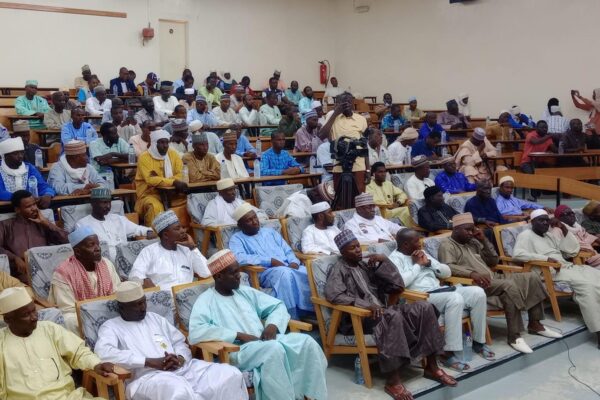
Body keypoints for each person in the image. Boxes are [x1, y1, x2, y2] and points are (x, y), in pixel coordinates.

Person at [326, 230, 455, 398]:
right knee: (392, 316)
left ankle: (432, 367)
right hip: (360, 317)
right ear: (342, 252)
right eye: (352, 248)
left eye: (358, 246)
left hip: (383, 311)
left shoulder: (365, 265)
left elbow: (397, 286)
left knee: (425, 307)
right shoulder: (339, 269)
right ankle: (393, 381)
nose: (358, 250)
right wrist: (367, 305)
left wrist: (385, 262)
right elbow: (335, 295)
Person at [189, 249, 327, 400]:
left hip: (263, 341)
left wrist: (272, 325)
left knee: (307, 342)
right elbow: (196, 331)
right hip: (237, 351)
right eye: (234, 273)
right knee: (273, 349)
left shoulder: (245, 292)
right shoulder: (206, 300)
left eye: (239, 271)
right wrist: (238, 335)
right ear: (219, 276)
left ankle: (310, 396)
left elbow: (277, 306)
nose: (239, 276)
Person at [95, 281, 247, 400]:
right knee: (178, 391)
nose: (143, 308)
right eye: (136, 305)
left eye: (143, 302)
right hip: (147, 379)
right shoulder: (111, 327)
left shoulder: (155, 318)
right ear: (121, 308)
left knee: (230, 374)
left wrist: (180, 358)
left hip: (182, 369)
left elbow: (179, 342)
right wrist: (147, 361)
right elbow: (104, 353)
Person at [439, 212, 559, 353]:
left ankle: (535, 324)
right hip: (473, 284)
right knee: (509, 286)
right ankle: (514, 336)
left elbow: (493, 261)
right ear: (456, 229)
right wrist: (472, 273)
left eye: (473, 229)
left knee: (532, 276)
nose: (471, 233)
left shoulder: (473, 242)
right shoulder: (447, 245)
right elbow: (448, 267)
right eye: (468, 230)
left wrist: (484, 240)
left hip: (494, 278)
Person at [390, 228, 492, 371]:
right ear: (406, 244)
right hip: (420, 298)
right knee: (454, 298)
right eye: (416, 241)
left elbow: (447, 272)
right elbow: (401, 283)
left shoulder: (422, 253)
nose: (420, 244)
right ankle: (447, 353)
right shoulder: (394, 259)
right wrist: (418, 265)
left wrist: (429, 263)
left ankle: (478, 342)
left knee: (478, 293)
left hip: (441, 291)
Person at [0, 287, 115, 399]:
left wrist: (96, 364)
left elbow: (78, 352)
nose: (34, 317)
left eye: (34, 310)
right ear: (8, 319)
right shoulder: (2, 342)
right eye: (26, 315)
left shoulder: (50, 329)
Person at [513, 209, 600, 347]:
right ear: (532, 222)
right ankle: (598, 331)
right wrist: (545, 258)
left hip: (566, 267)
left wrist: (564, 229)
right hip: (550, 272)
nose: (545, 223)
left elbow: (572, 251)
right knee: (587, 287)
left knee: (597, 277)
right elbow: (517, 254)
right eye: (540, 220)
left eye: (547, 220)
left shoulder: (549, 235)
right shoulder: (526, 235)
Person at [229, 203, 312, 318]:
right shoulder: (237, 239)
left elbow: (287, 250)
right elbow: (239, 258)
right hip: (264, 272)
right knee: (284, 273)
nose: (255, 222)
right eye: (249, 220)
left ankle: (312, 311)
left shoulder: (270, 232)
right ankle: (290, 316)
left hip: (288, 267)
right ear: (240, 225)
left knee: (309, 272)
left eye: (255, 218)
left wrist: (293, 262)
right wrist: (269, 261)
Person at [49, 225, 121, 332]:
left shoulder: (106, 264)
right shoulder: (63, 273)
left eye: (98, 244)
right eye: (91, 245)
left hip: (107, 309)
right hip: (78, 314)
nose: (98, 248)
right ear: (77, 251)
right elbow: (67, 309)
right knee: (69, 321)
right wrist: (92, 314)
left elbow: (117, 292)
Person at [129, 210, 210, 290]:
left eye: (182, 227)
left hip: (187, 296)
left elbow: (206, 273)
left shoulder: (188, 250)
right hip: (162, 298)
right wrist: (145, 281)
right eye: (177, 229)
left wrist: (193, 248)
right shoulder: (149, 251)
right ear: (166, 235)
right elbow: (135, 274)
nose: (183, 231)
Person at [0, 190, 67, 283]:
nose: (34, 208)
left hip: (46, 271)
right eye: (28, 206)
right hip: (19, 275)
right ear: (17, 209)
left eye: (34, 204)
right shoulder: (5, 225)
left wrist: (47, 223)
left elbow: (66, 241)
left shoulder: (43, 223)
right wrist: (14, 258)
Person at [76, 188, 153, 259]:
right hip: (104, 263)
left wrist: (149, 232)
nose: (108, 206)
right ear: (92, 203)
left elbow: (138, 229)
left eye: (109, 202)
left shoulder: (118, 219)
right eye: (104, 202)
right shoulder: (82, 224)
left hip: (128, 258)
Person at [135, 130, 187, 225]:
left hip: (172, 193)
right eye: (162, 142)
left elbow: (180, 174)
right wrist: (173, 182)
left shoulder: (173, 154)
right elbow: (150, 180)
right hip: (149, 194)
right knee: (155, 207)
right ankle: (155, 237)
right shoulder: (144, 157)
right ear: (154, 143)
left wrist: (162, 180)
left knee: (189, 202)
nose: (165, 145)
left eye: (167, 142)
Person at [320, 92, 369, 192]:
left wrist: (368, 169)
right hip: (339, 165)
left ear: (353, 103)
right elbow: (321, 135)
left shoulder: (361, 119)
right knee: (341, 200)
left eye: (348, 102)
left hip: (359, 165)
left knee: (359, 199)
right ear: (337, 104)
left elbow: (364, 145)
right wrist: (335, 113)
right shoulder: (332, 115)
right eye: (342, 102)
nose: (346, 104)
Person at [0, 138, 54, 205]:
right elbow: (1, 193)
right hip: (5, 209)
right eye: (15, 154)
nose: (20, 156)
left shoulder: (29, 168)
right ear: (5, 156)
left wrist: (48, 194)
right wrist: (24, 199)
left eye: (22, 153)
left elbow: (44, 187)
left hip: (30, 208)